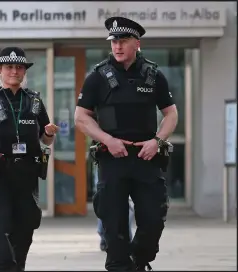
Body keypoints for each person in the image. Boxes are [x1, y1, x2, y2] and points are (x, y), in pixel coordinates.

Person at [75, 17, 178, 271]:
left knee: (154, 220)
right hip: (113, 160)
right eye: (114, 42)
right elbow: (81, 117)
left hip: (147, 158)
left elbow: (171, 113)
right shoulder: (97, 77)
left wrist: (157, 141)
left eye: (124, 41)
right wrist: (108, 140)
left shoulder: (153, 75)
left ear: (137, 44)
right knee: (114, 227)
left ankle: (139, 260)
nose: (118, 46)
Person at [0, 47, 59, 272]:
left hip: (26, 176)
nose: (14, 71)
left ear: (24, 71)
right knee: (0, 233)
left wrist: (50, 133)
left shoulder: (34, 101)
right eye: (9, 67)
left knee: (24, 234)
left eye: (19, 67)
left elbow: (46, 140)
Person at [93, 162, 135, 251]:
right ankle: (106, 235)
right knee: (105, 198)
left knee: (111, 199)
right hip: (108, 160)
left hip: (133, 160)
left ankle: (121, 236)